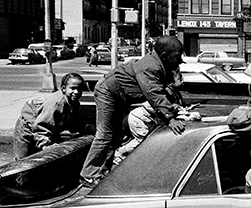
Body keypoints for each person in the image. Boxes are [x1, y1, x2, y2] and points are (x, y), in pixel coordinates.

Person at [79, 35, 190, 186]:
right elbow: (154, 94)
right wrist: (170, 119)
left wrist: (174, 110)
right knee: (105, 134)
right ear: (164, 56)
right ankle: (88, 175)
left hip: (119, 96)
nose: (180, 60)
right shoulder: (150, 67)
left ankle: (103, 171)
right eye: (177, 56)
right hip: (108, 92)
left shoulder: (161, 66)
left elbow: (163, 92)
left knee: (116, 136)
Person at [13, 72, 91, 160]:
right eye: (73, 88)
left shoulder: (74, 103)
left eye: (79, 89)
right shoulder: (56, 105)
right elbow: (41, 128)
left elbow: (73, 123)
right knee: (24, 161)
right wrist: (46, 146)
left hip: (50, 129)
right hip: (28, 127)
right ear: (64, 88)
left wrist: (85, 128)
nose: (76, 92)